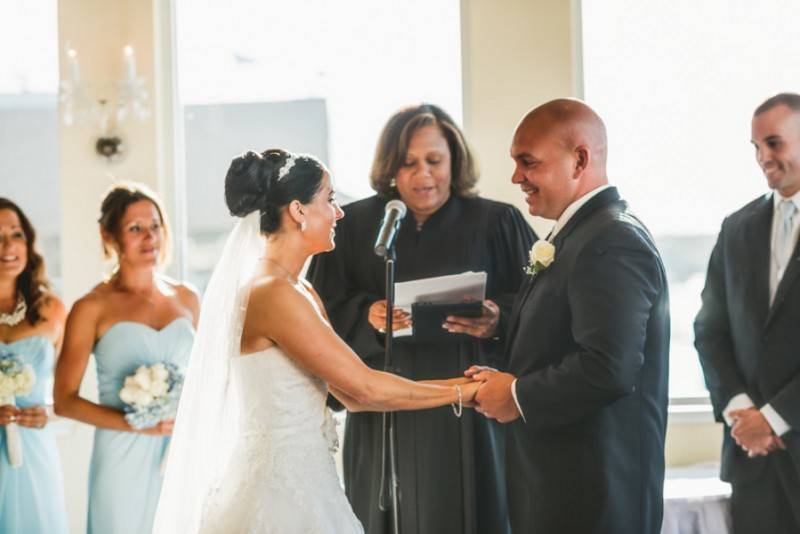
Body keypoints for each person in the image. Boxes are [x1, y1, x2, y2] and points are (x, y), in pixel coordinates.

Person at [153, 149, 483, 534]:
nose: (338, 212)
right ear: (297, 210)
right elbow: (366, 387)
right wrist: (467, 392)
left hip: (311, 482)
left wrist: (462, 387)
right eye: (329, 199)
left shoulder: (300, 289)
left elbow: (353, 398)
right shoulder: (272, 294)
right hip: (278, 497)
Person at [307, 104, 536, 534]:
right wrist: (366, 315)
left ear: (455, 160)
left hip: (470, 412)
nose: (423, 175)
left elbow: (541, 304)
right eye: (408, 163)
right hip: (382, 413)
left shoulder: (496, 223)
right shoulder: (353, 225)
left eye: (434, 161)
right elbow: (317, 312)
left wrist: (498, 319)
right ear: (390, 165)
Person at [466, 99, 670, 534]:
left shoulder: (612, 240)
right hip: (559, 489)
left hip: (594, 500)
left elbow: (609, 368)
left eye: (528, 162)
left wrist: (518, 394)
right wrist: (505, 377)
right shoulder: (580, 234)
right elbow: (560, 343)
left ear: (579, 160)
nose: (516, 177)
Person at [54, 183, 199, 534]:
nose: (150, 237)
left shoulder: (188, 298)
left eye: (155, 225)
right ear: (110, 236)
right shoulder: (91, 307)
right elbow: (63, 401)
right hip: (121, 454)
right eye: (135, 228)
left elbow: (202, 379)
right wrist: (136, 423)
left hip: (181, 452)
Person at [694, 93, 800, 533]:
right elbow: (710, 330)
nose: (763, 158)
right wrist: (741, 413)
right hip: (751, 460)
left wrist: (775, 419)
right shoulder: (736, 227)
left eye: (773, 143)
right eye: (755, 147)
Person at [0, 198, 69, 533]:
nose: (8, 246)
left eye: (16, 234)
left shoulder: (52, 309)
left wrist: (47, 413)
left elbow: (70, 398)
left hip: (34, 453)